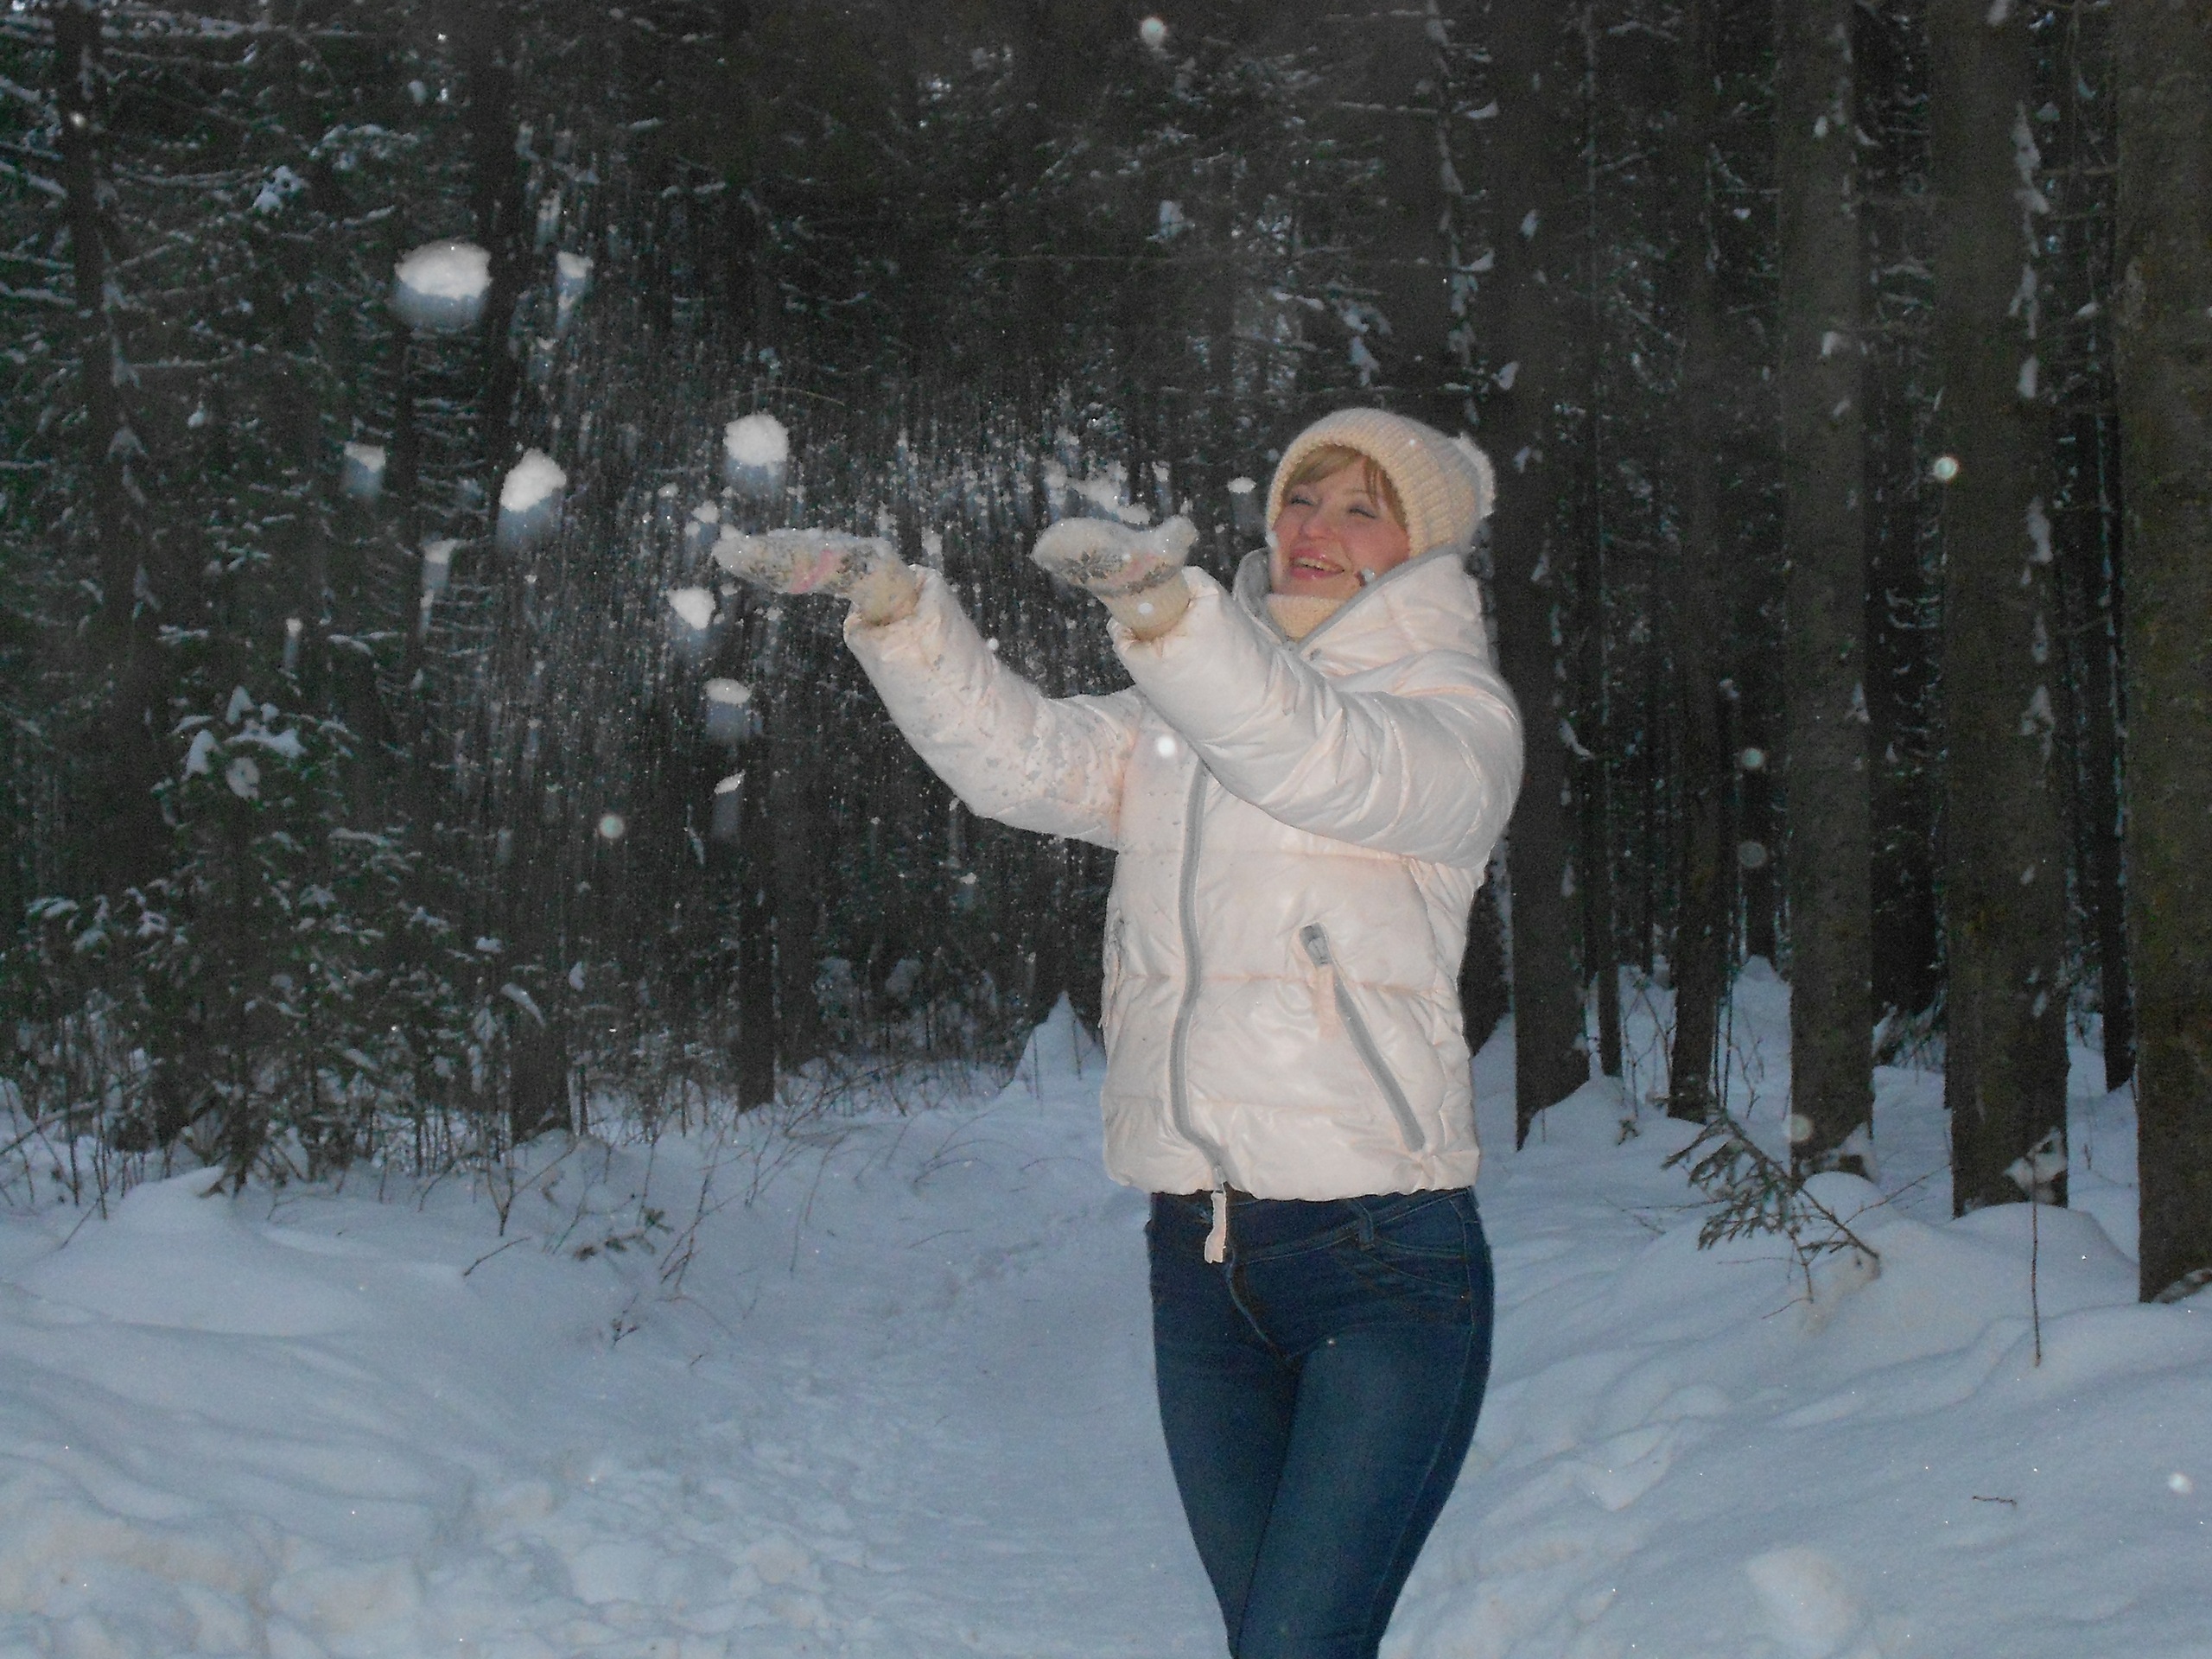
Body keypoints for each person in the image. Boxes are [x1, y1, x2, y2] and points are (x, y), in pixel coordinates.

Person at [715, 408, 1524, 1659]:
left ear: (1421, 549)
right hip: (1197, 1264)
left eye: (1362, 508)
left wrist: (1170, 616)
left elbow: (1314, 756)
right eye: (1302, 497)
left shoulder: (1455, 717)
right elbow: (1023, 762)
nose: (1314, 527)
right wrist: (896, 608)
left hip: (1380, 1264)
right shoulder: (1189, 713)